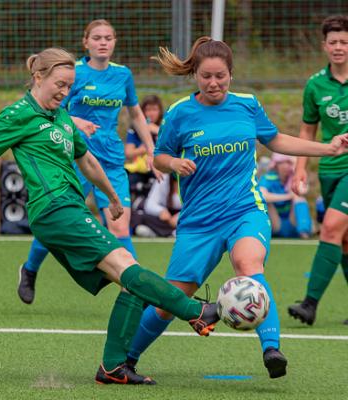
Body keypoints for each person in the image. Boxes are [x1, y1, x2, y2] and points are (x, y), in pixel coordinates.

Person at [0, 47, 220, 385]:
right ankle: (197, 312)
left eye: (69, 87)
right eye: (59, 84)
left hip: (71, 208)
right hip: (54, 210)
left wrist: (111, 197)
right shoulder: (16, 114)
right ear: (38, 77)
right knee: (127, 266)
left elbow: (87, 162)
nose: (65, 92)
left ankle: (113, 367)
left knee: (130, 284)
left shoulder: (61, 116)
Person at [123, 37, 348, 380]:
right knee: (171, 299)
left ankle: (271, 349)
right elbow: (159, 157)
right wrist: (175, 163)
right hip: (199, 221)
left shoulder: (247, 104)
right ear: (194, 75)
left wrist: (327, 149)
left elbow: (276, 139)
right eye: (206, 76)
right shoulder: (181, 112)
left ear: (231, 74)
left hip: (245, 210)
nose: (214, 83)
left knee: (249, 265)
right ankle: (127, 359)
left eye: (221, 76)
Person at [18, 19, 159, 305]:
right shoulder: (74, 73)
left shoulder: (123, 75)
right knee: (59, 220)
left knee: (120, 226)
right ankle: (30, 270)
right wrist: (76, 121)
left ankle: (133, 287)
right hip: (73, 156)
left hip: (110, 158)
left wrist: (151, 148)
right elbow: (52, 110)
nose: (103, 42)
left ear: (115, 42)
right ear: (86, 43)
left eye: (108, 37)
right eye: (97, 38)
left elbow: (134, 113)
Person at [288, 15, 348, 326]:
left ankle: (310, 304)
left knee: (330, 227)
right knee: (345, 239)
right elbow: (308, 131)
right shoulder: (315, 84)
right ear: (324, 45)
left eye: (344, 42)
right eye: (334, 42)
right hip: (329, 168)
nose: (339, 47)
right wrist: (300, 169)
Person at [259, 153, 312, 239]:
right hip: (276, 223)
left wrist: (296, 166)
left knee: (299, 198)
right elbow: (262, 196)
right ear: (276, 165)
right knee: (266, 202)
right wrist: (288, 196)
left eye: (289, 163)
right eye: (283, 163)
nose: (286, 166)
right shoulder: (268, 178)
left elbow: (303, 190)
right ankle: (262, 232)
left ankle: (304, 232)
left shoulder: (294, 177)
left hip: (292, 221)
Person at [125, 95, 164, 198]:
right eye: (148, 110)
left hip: (158, 167)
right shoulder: (134, 129)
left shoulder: (164, 127)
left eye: (154, 109)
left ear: (160, 111)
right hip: (140, 168)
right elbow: (128, 153)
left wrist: (156, 130)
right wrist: (143, 149)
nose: (151, 113)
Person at [132, 173, 181, 238]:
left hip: (184, 217)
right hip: (165, 218)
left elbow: (195, 206)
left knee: (192, 221)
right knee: (139, 215)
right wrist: (161, 211)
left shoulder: (194, 179)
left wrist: (180, 216)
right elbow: (149, 204)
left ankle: (169, 232)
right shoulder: (163, 177)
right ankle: (167, 233)